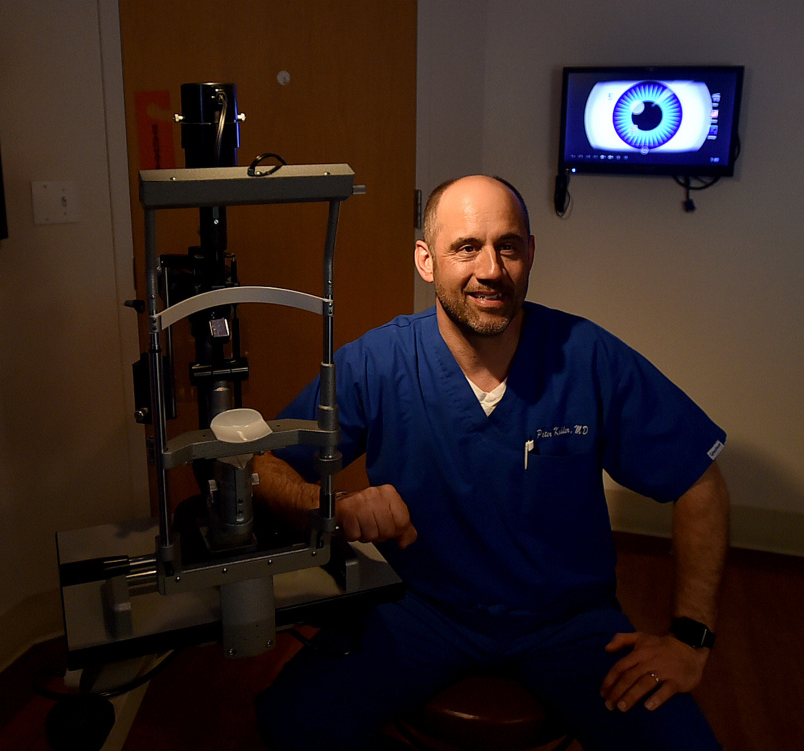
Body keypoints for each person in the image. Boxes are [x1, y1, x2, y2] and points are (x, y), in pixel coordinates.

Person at [253, 175, 730, 751]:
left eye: (507, 246)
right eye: (465, 247)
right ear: (426, 262)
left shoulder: (586, 356)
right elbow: (261, 464)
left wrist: (690, 639)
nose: (490, 268)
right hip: (421, 607)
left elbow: (698, 478)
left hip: (568, 620)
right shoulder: (377, 365)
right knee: (289, 724)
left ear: (529, 254)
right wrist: (332, 503)